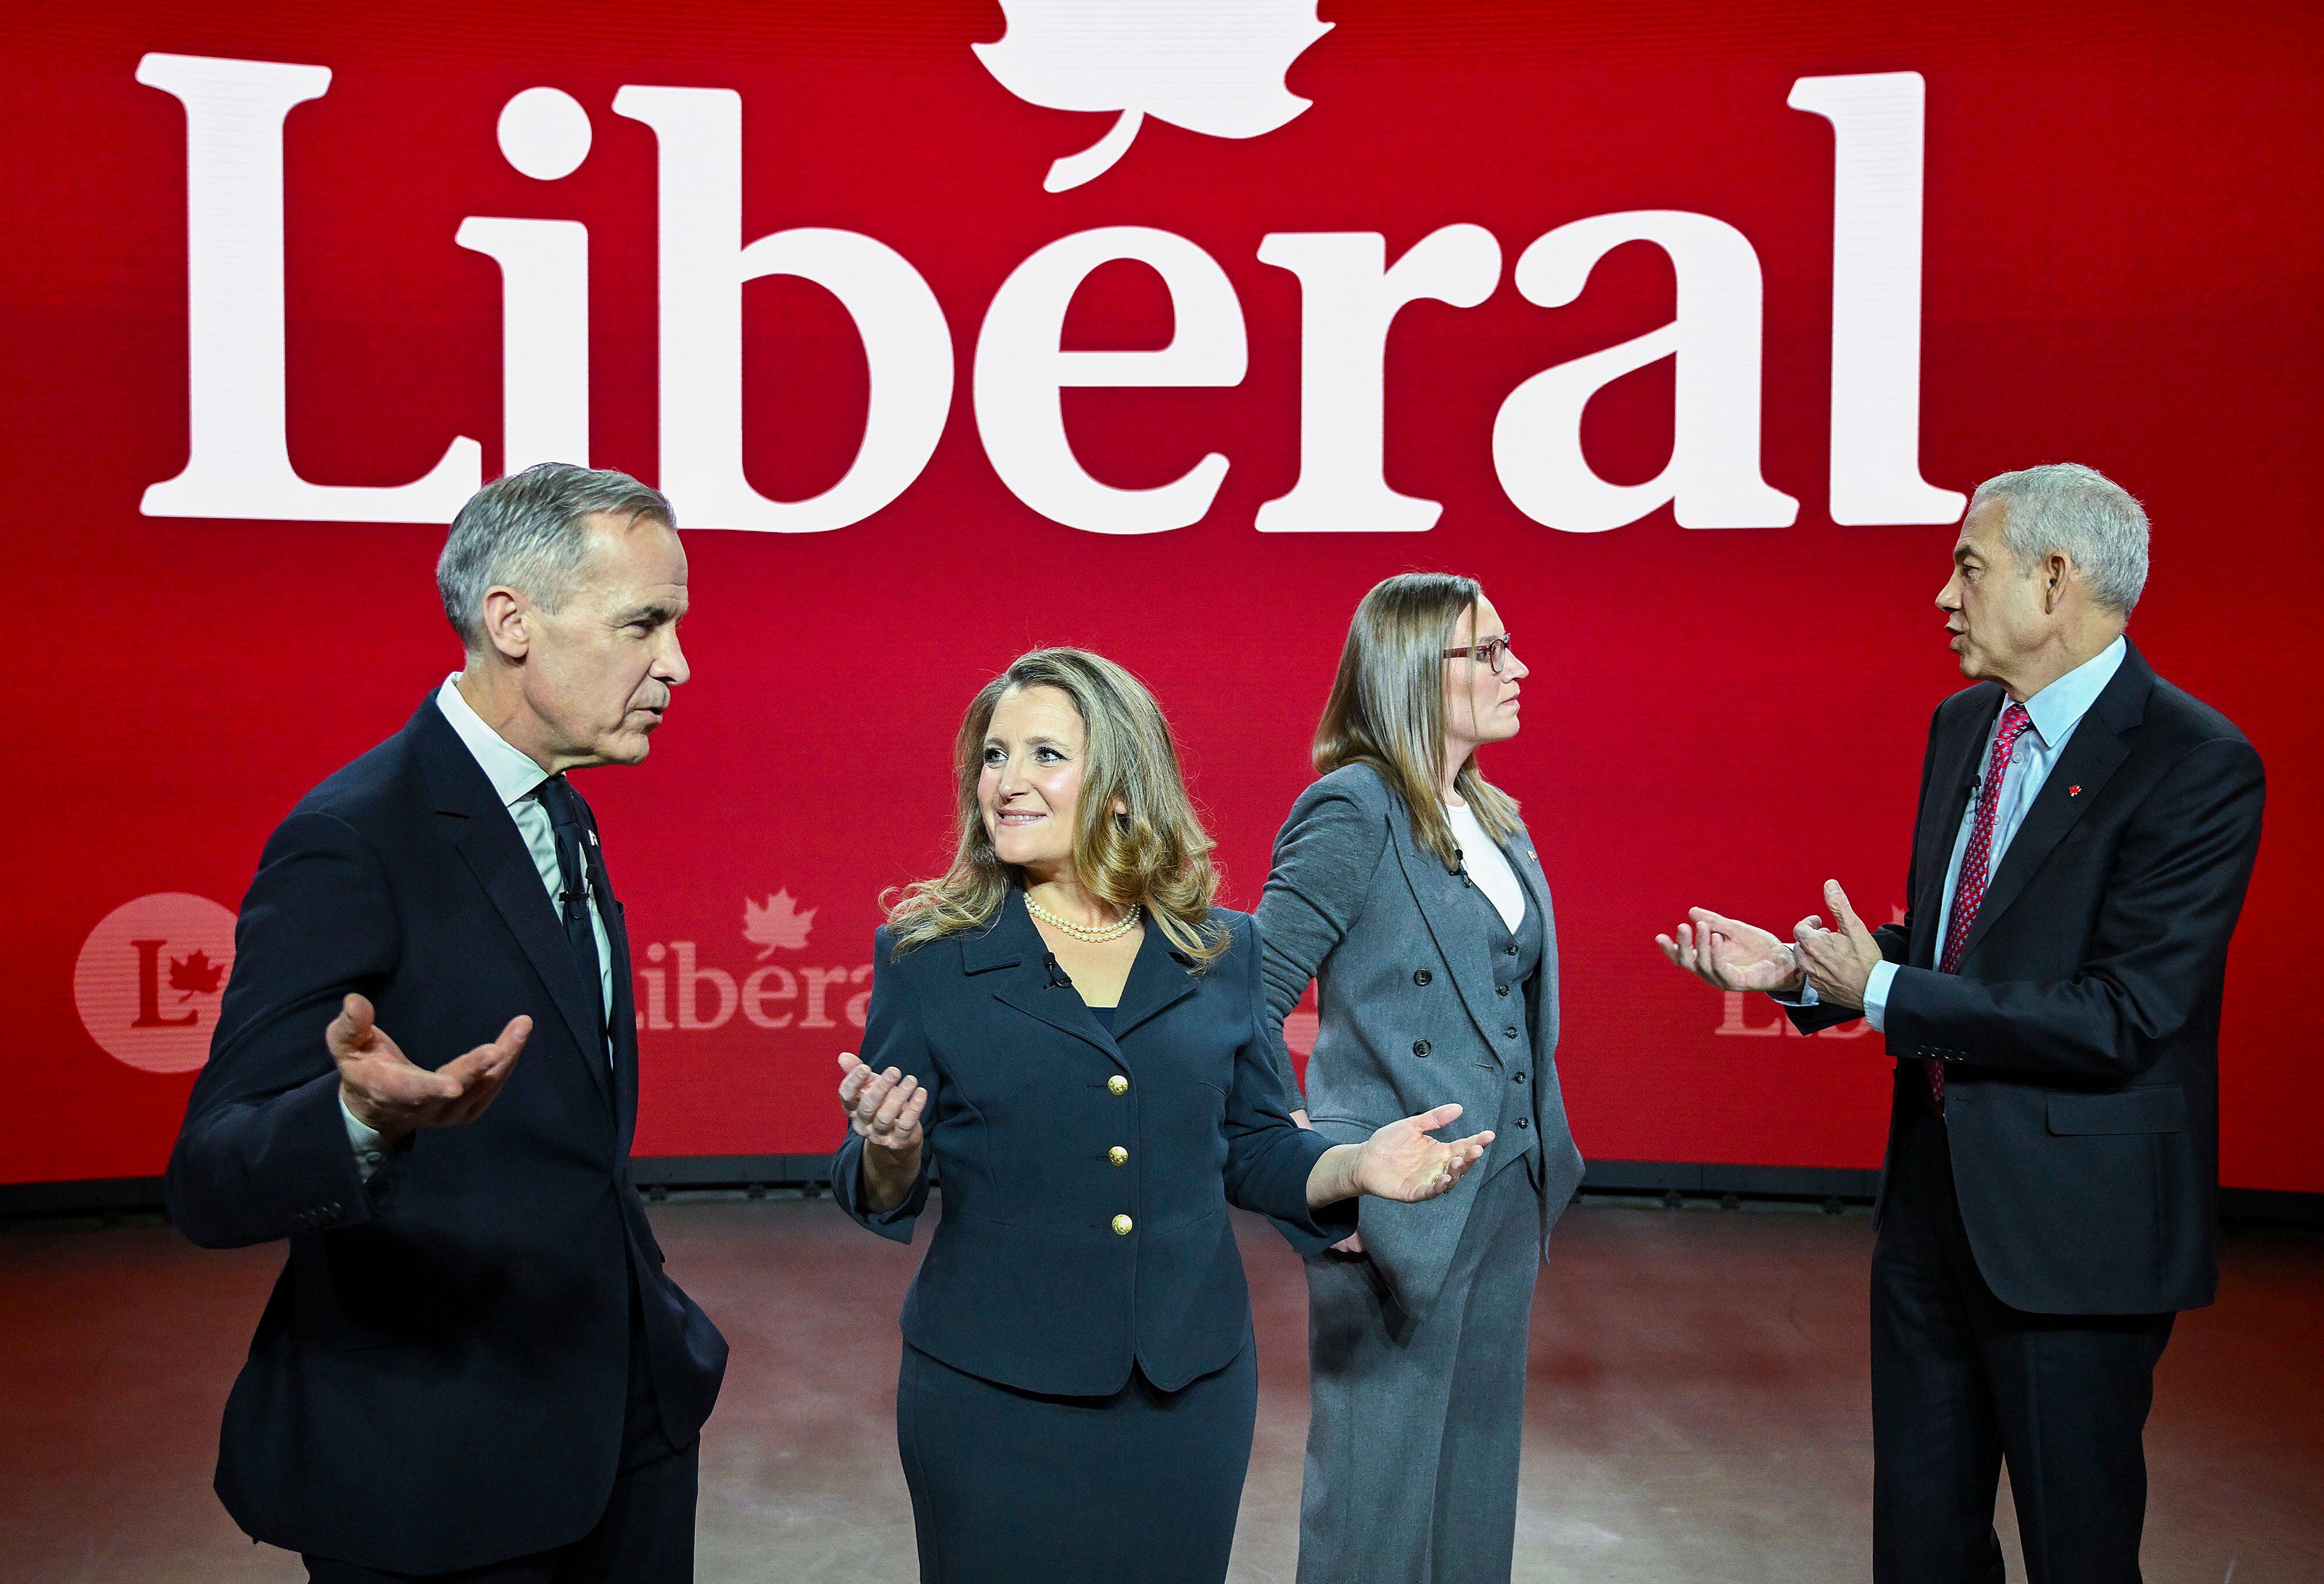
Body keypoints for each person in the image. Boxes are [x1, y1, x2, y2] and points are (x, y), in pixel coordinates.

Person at [1658, 464, 2265, 1584]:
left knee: (2078, 1556)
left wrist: (1880, 993)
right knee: (1922, 1554)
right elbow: (1956, 951)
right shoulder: (1962, 725)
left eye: (1967, 567)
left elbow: (2125, 1014)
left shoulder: (2196, 764)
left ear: (2054, 580)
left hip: (2076, 1246)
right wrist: (1804, 972)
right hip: (1931, 1224)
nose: (1944, 595)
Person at [165, 464, 728, 1582]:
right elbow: (209, 1173)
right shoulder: (353, 837)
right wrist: (357, 1118)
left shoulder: (563, 810)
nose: (677, 663)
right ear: (510, 620)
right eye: (643, 623)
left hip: (629, 1427)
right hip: (440, 1470)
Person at [830, 647, 1493, 1584]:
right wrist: (890, 1148)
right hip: (990, 1399)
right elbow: (879, 1184)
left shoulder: (1220, 948)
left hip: (1189, 1393)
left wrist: (1352, 1166)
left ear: (1120, 782)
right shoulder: (927, 955)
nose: (1007, 782)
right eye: (992, 756)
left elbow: (1255, 1144)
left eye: (1045, 755)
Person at [1253, 572, 1587, 1584]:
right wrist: (1319, 1170)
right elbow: (1247, 998)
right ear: (1410, 670)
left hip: (1504, 1188)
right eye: (1487, 653)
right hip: (1396, 1204)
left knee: (1473, 1490)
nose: (1516, 668)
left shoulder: (1489, 810)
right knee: (1375, 1502)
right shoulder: (1353, 808)